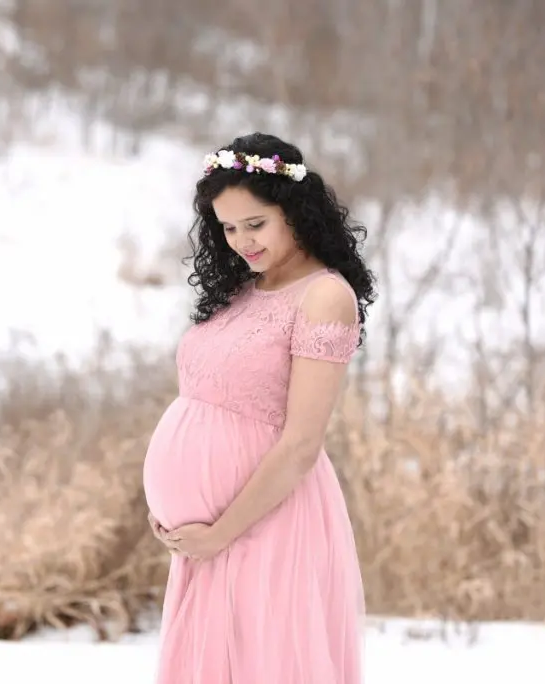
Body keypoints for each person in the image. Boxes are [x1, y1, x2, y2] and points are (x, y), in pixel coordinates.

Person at [142, 132, 376, 684]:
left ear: (294, 211)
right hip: (209, 539)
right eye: (228, 228)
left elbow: (301, 445)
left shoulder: (324, 296)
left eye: (255, 224)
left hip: (263, 524)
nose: (242, 241)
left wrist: (218, 533)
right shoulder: (245, 287)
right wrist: (177, 508)